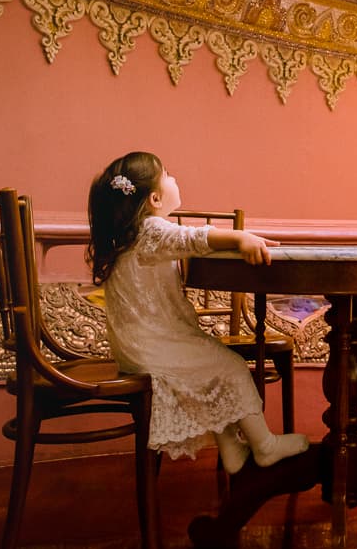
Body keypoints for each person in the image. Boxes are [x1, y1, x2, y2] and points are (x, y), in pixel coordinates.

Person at [87, 151, 309, 473]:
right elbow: (193, 237)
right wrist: (239, 236)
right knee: (231, 367)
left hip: (137, 346)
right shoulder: (150, 230)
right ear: (154, 198)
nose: (175, 179)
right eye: (169, 175)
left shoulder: (131, 236)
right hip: (153, 347)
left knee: (210, 369)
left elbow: (184, 239)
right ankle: (265, 445)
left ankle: (232, 447)